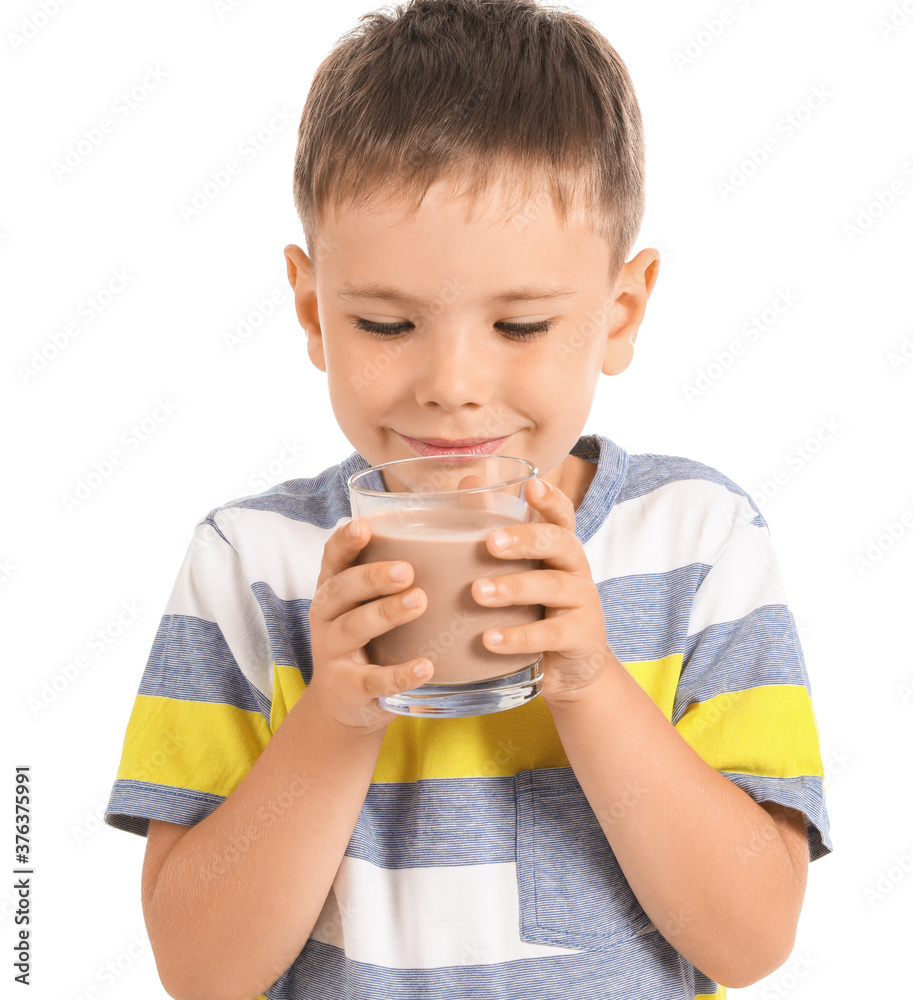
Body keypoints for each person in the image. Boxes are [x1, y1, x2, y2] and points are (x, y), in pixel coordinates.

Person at [104, 1, 832, 998]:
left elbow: (750, 938)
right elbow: (197, 967)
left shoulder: (697, 541)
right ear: (314, 310)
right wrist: (334, 716)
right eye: (387, 322)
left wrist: (587, 681)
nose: (451, 382)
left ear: (619, 313)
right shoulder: (249, 560)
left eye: (521, 325)